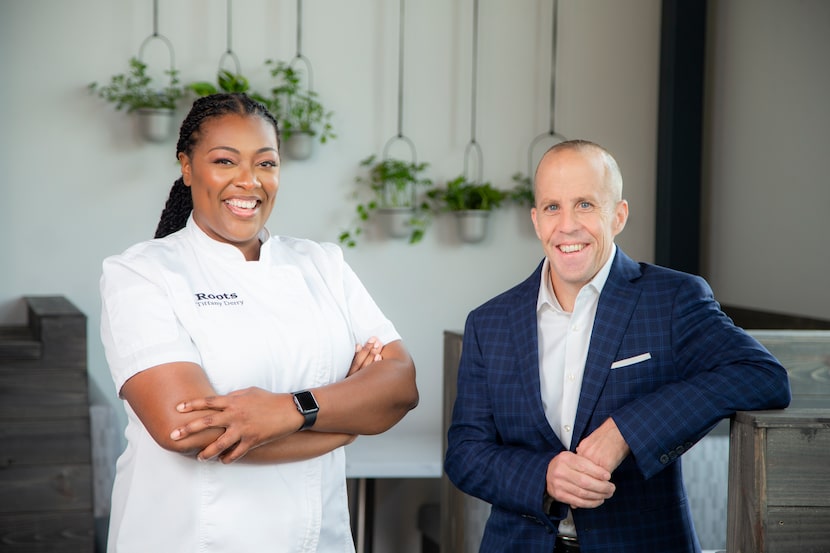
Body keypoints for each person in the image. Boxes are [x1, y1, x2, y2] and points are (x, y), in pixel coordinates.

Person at [99, 93, 419, 553]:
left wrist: (290, 409)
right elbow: (187, 430)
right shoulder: (141, 273)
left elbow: (400, 385)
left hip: (318, 540)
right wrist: (346, 422)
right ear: (187, 167)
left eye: (266, 164)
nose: (249, 181)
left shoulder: (322, 264)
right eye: (225, 161)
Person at [444, 139, 791, 553]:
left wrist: (626, 430)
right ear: (536, 221)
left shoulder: (672, 299)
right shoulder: (488, 323)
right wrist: (544, 476)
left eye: (586, 205)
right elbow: (465, 454)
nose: (568, 224)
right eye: (553, 207)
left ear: (619, 215)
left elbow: (763, 376)